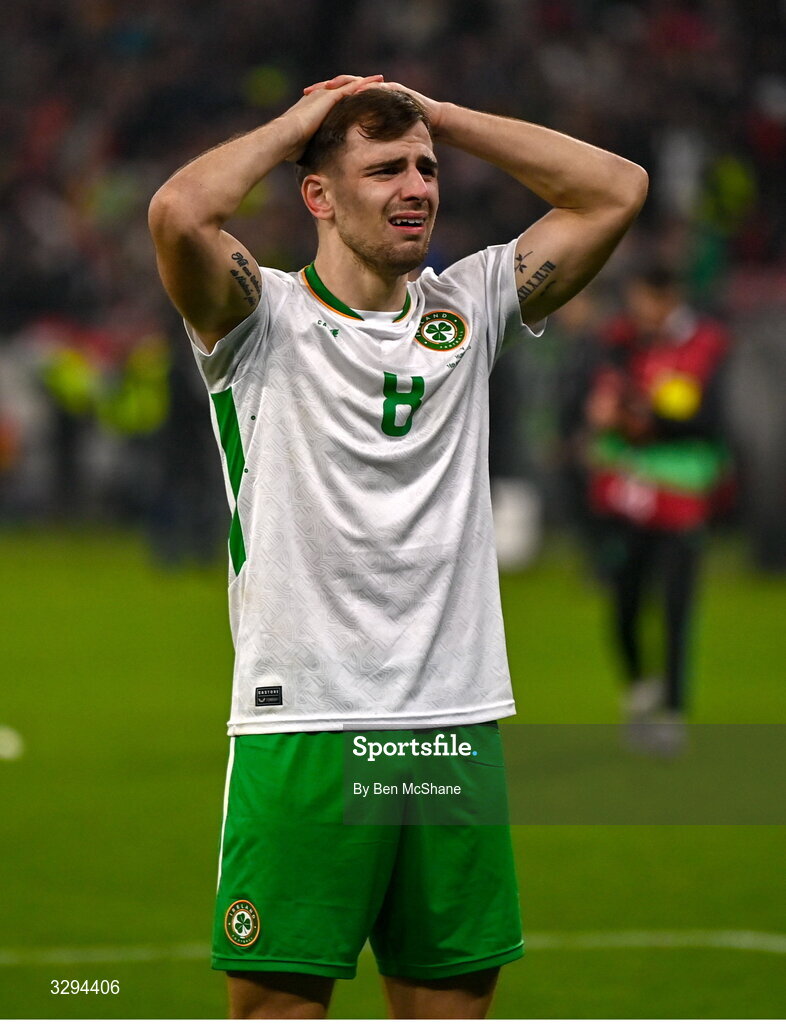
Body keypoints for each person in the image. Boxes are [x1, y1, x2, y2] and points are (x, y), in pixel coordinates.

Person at [149, 73, 647, 1019]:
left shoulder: (474, 305)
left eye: (425, 168)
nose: (417, 184)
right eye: (383, 169)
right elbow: (179, 212)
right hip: (306, 726)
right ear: (319, 196)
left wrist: (443, 117)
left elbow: (615, 188)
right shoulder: (259, 320)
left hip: (451, 725)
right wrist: (301, 124)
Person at [584, 266, 731, 754]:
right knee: (623, 604)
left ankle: (672, 710)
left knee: (676, 606)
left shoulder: (708, 343)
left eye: (647, 297)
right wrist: (604, 412)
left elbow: (710, 421)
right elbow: (600, 396)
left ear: (670, 296)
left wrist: (650, 423)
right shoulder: (623, 340)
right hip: (626, 495)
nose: (640, 309)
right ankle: (640, 688)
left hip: (682, 496)